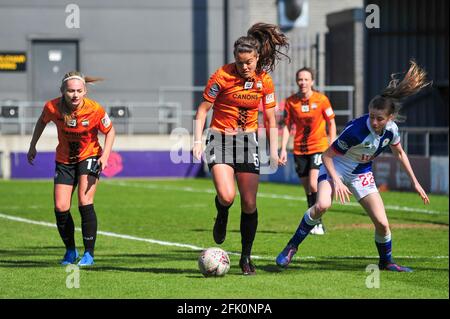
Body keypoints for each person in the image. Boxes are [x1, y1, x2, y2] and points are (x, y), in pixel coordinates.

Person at [276, 60, 430, 272]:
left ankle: (386, 262)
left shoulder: (392, 130)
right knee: (322, 205)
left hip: (361, 174)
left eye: (380, 119)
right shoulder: (357, 131)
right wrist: (337, 181)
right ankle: (291, 247)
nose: (375, 122)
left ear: (390, 118)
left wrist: (416, 183)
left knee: (383, 224)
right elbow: (327, 155)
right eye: (372, 117)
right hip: (335, 168)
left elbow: (400, 153)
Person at [193, 22, 289, 275]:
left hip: (248, 142)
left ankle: (246, 257)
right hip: (220, 139)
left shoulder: (264, 81)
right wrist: (195, 140)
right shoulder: (221, 76)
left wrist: (274, 149)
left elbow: (269, 119)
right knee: (227, 196)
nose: (244, 66)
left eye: (248, 62)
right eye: (239, 61)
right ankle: (222, 213)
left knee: (249, 203)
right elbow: (203, 109)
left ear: (257, 58)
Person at [27, 71, 115, 266]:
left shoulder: (95, 110)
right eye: (70, 91)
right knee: (61, 206)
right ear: (62, 91)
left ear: (85, 92)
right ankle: (70, 251)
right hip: (64, 159)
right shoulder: (52, 107)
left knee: (84, 201)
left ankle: (89, 254)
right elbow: (41, 122)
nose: (75, 95)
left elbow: (110, 131)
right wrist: (33, 145)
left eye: (79, 91)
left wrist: (105, 155)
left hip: (89, 156)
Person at [280, 67, 336, 235]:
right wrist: (283, 149)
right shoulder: (290, 102)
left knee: (314, 183)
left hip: (319, 147)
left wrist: (332, 144)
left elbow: (331, 122)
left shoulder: (322, 100)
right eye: (300, 79)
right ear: (297, 81)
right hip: (299, 149)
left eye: (306, 79)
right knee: (307, 189)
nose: (303, 82)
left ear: (312, 81)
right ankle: (313, 219)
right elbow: (287, 126)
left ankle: (318, 221)